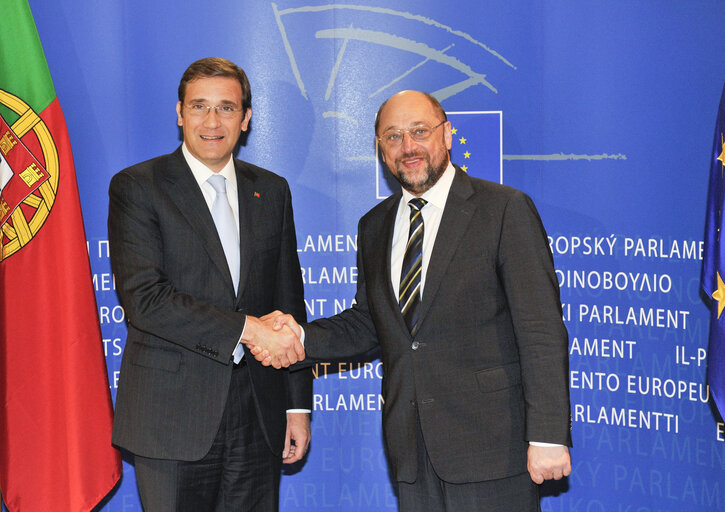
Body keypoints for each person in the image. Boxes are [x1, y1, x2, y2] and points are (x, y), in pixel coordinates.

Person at [257, 90, 572, 511]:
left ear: (446, 135)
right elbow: (369, 323)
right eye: (393, 136)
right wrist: (296, 337)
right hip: (411, 449)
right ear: (381, 149)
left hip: (494, 447)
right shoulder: (374, 226)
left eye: (420, 131)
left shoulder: (503, 209)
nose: (408, 147)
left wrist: (548, 434)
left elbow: (540, 329)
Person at [108, 57, 310, 511]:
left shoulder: (271, 190)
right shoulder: (138, 187)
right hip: (171, 417)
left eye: (227, 108)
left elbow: (287, 301)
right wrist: (247, 329)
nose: (212, 122)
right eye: (199, 106)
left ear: (246, 118)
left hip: (259, 413)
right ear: (179, 113)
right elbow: (146, 300)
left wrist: (297, 407)